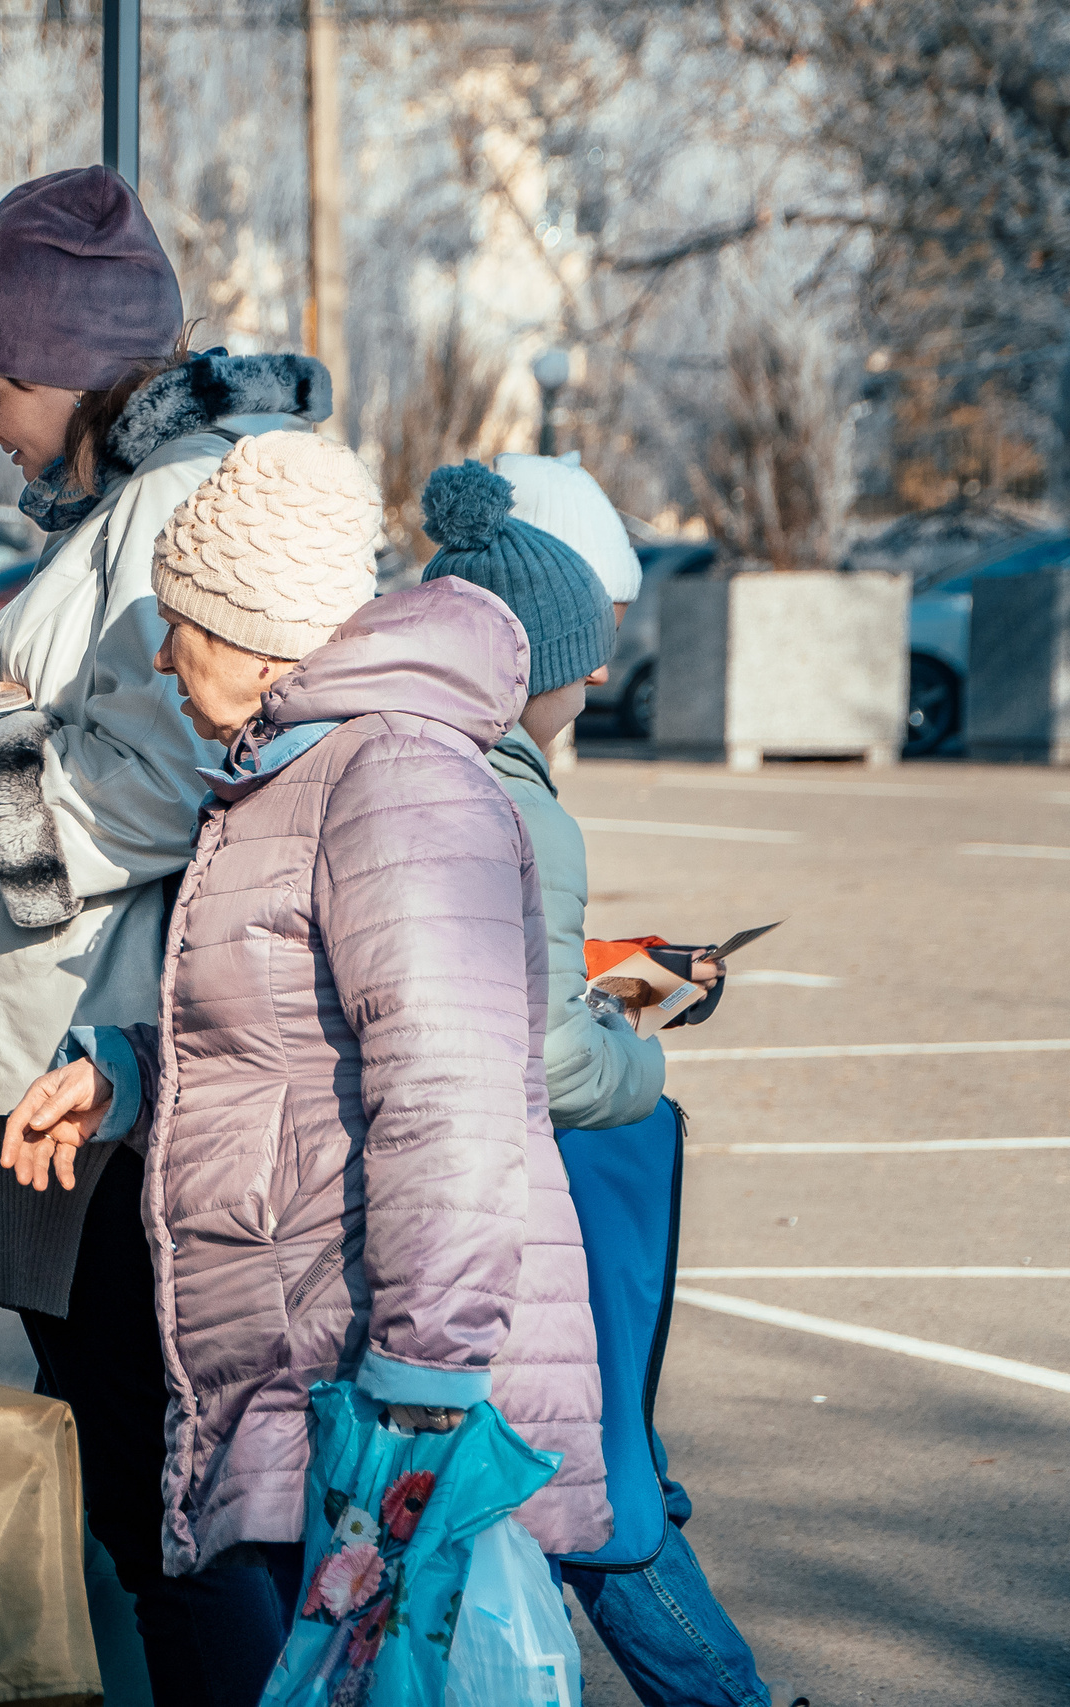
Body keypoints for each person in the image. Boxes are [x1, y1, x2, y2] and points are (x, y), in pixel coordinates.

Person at [0, 164, 334, 1687]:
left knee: (161, 1486)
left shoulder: (172, 501)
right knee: (140, 1472)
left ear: (65, 368)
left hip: (106, 1068)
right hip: (84, 1055)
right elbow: (107, 736)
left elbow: (161, 783)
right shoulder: (135, 496)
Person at [0, 451, 612, 1705]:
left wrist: (422, 1402)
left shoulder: (391, 778)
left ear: (260, 634)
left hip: (364, 1395)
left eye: (180, 628)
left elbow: (455, 1105)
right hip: (294, 1359)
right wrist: (123, 1073)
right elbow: (287, 1035)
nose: (165, 661)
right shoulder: (294, 770)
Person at [422, 457, 774, 1707]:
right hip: (506, 1205)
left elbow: (498, 960)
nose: (603, 673)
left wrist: (617, 965)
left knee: (588, 1473)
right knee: (605, 1486)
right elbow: (554, 1057)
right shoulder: (516, 797)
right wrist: (644, 1049)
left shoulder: (401, 758)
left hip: (430, 1203)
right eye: (591, 645)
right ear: (533, 663)